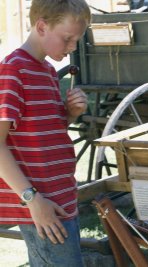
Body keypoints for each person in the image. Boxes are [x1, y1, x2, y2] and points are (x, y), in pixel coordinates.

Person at [0, 0, 90, 266]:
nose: (73, 46)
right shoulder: (13, 70)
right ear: (41, 26)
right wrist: (33, 200)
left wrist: (70, 113)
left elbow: (46, 135)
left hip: (60, 199)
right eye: (67, 38)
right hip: (41, 206)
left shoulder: (48, 71)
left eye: (77, 40)